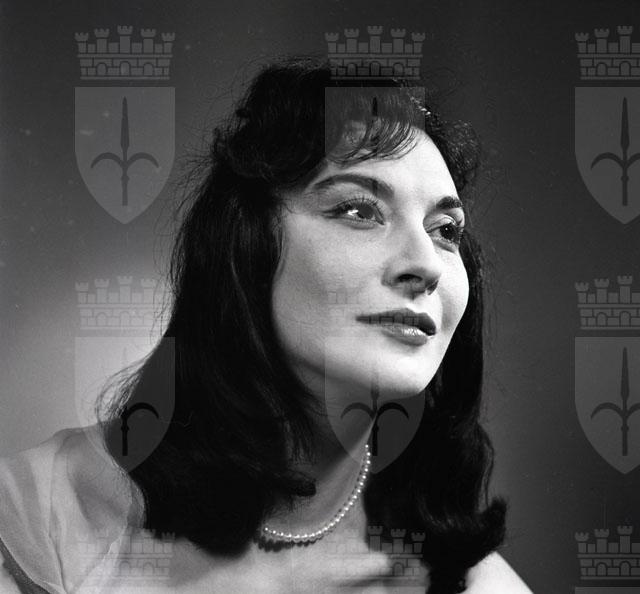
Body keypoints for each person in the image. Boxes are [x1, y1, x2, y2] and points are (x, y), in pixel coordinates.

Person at [0, 59, 532, 593]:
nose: (427, 264)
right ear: (246, 244)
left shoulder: (463, 578)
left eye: (446, 230)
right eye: (359, 210)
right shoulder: (46, 512)